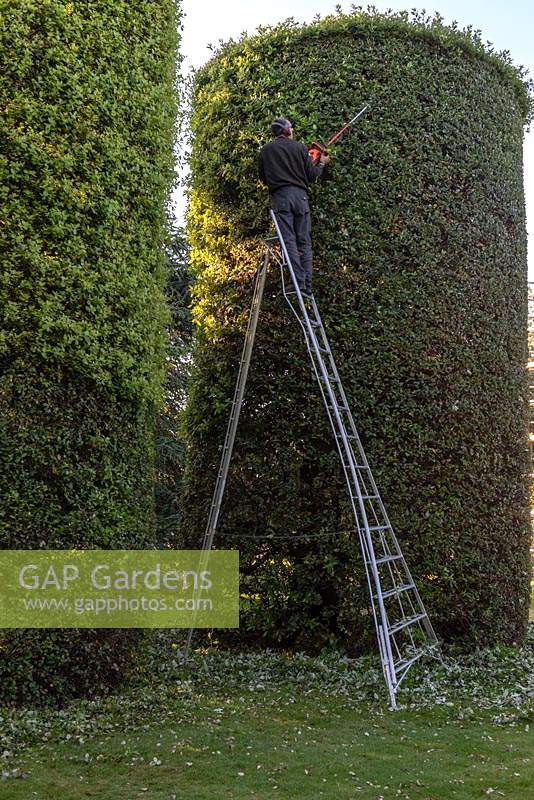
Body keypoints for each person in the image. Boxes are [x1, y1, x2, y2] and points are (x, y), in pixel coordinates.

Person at [258, 117, 329, 298]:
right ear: (287, 131)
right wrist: (321, 162)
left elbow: (263, 178)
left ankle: (297, 280)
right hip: (301, 198)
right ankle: (306, 284)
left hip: (281, 198)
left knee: (288, 240)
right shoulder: (299, 148)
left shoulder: (265, 151)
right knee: (303, 241)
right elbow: (312, 175)